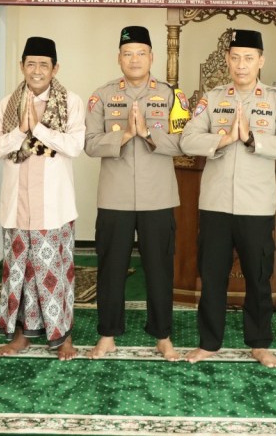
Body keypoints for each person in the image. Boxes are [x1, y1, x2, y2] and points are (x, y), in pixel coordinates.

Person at [180, 29, 276, 368]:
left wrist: (251, 139)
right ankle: (209, 342)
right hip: (216, 203)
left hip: (256, 205)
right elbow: (188, 139)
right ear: (227, 60)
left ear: (261, 61)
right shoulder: (213, 97)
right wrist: (222, 139)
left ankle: (260, 343)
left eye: (249, 58)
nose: (241, 65)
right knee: (212, 276)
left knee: (259, 277)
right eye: (235, 58)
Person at [84, 26, 191, 361]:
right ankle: (107, 334)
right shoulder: (101, 96)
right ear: (119, 58)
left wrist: (147, 134)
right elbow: (89, 144)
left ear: (151, 57)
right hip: (114, 197)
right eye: (127, 53)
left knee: (160, 268)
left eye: (140, 53)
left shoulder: (173, 95)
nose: (134, 59)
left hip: (157, 196)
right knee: (111, 266)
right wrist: (125, 135)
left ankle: (162, 335)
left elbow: (184, 143)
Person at [0, 37, 85, 361]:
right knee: (20, 274)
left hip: (53, 208)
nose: (37, 70)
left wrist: (38, 128)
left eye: (44, 64)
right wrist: (20, 130)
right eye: (31, 63)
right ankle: (21, 335)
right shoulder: (6, 105)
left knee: (55, 273)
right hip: (17, 207)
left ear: (55, 68)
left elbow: (74, 146)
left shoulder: (70, 102)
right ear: (22, 66)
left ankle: (63, 338)